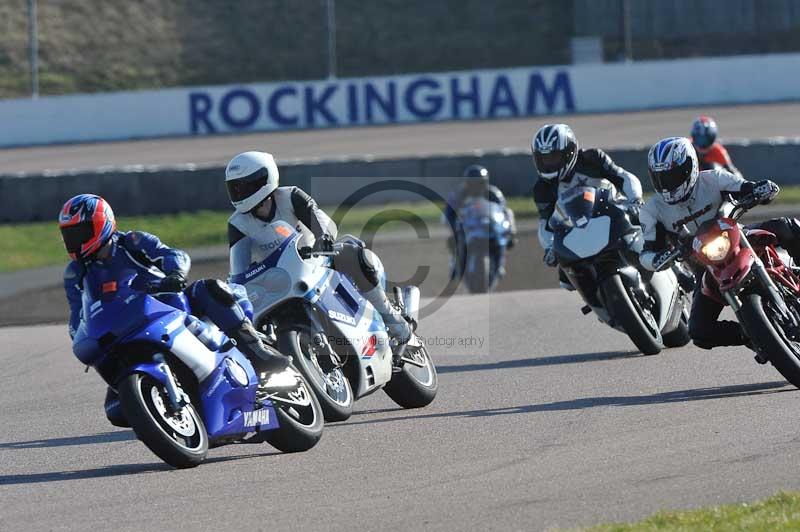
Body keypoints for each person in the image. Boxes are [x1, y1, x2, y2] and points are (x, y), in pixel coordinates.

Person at [60, 194, 289, 426]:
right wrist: (81, 335)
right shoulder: (75, 273)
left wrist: (175, 274)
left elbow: (173, 255)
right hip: (127, 329)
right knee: (116, 410)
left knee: (209, 289)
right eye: (69, 234)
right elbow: (78, 314)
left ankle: (255, 351)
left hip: (172, 306)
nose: (74, 240)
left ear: (102, 223)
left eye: (80, 232)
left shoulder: (132, 242)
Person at [224, 151, 412, 344]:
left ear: (265, 179)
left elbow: (320, 220)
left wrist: (324, 238)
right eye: (235, 188)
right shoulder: (237, 224)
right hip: (279, 279)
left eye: (246, 186)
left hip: (316, 261)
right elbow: (239, 265)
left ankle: (391, 318)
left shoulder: (290, 196)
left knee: (350, 252)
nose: (240, 193)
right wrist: (236, 283)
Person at [638, 136, 800, 350]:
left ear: (690, 166)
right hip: (704, 267)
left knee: (784, 225)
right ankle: (752, 334)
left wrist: (761, 190)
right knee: (698, 331)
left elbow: (745, 187)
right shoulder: (652, 210)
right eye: (661, 178)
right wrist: (656, 258)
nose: (668, 184)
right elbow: (646, 252)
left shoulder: (713, 179)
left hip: (737, 237)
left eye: (673, 175)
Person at [531, 123, 644, 288]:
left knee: (647, 228)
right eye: (543, 159)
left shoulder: (592, 158)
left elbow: (624, 177)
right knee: (567, 279)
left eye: (553, 157)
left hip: (614, 215)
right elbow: (545, 224)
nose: (548, 164)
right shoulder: (542, 188)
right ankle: (601, 305)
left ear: (569, 152)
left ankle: (675, 268)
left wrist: (635, 199)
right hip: (578, 232)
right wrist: (550, 247)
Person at [443, 164, 517, 280]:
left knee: (505, 238)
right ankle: (456, 265)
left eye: (479, 183)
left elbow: (504, 211)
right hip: (468, 227)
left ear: (485, 182)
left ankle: (500, 263)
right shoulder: (459, 195)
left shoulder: (494, 194)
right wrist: (453, 226)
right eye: (473, 183)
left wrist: (510, 229)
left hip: (489, 225)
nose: (476, 187)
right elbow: (449, 212)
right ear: (467, 183)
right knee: (454, 241)